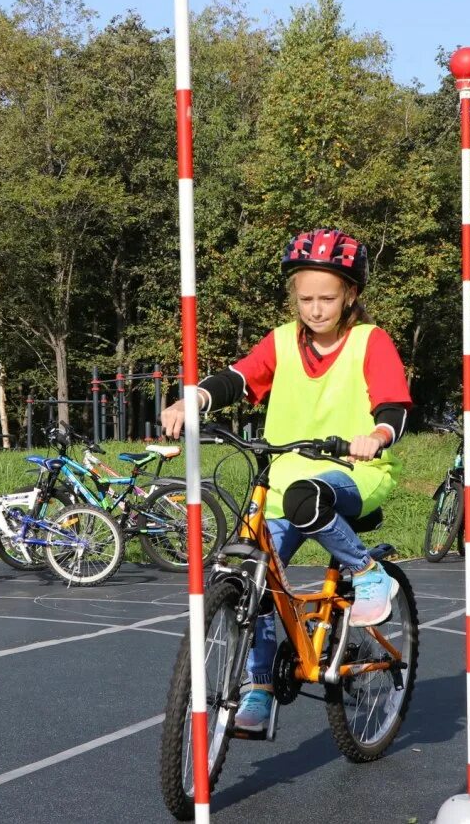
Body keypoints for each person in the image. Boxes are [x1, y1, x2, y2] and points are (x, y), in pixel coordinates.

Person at [159, 227, 412, 733]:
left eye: (327, 298)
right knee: (250, 575)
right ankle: (259, 686)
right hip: (282, 477)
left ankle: (367, 573)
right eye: (305, 299)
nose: (315, 309)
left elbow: (393, 404)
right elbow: (240, 376)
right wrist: (195, 399)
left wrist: (378, 434)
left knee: (306, 496)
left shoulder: (370, 340)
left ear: (351, 296)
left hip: (353, 472)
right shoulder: (281, 341)